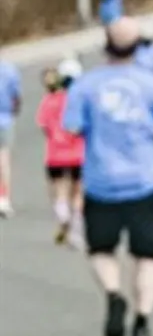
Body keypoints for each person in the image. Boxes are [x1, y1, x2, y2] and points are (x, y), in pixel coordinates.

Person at [63, 18, 153, 336]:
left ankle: (114, 294)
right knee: (148, 256)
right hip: (145, 181)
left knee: (101, 249)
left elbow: (72, 127)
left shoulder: (85, 86)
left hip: (101, 182)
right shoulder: (151, 85)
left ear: (105, 44)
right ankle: (143, 320)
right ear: (139, 46)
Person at [38, 63, 86, 246]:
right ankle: (76, 231)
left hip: (55, 154)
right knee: (77, 192)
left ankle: (63, 214)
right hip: (77, 153)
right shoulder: (77, 101)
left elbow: (44, 127)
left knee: (59, 190)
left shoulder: (48, 101)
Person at [0, 55, 21, 217]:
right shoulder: (8, 69)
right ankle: (4, 198)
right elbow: (16, 97)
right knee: (4, 159)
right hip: (4, 119)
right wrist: (14, 112)